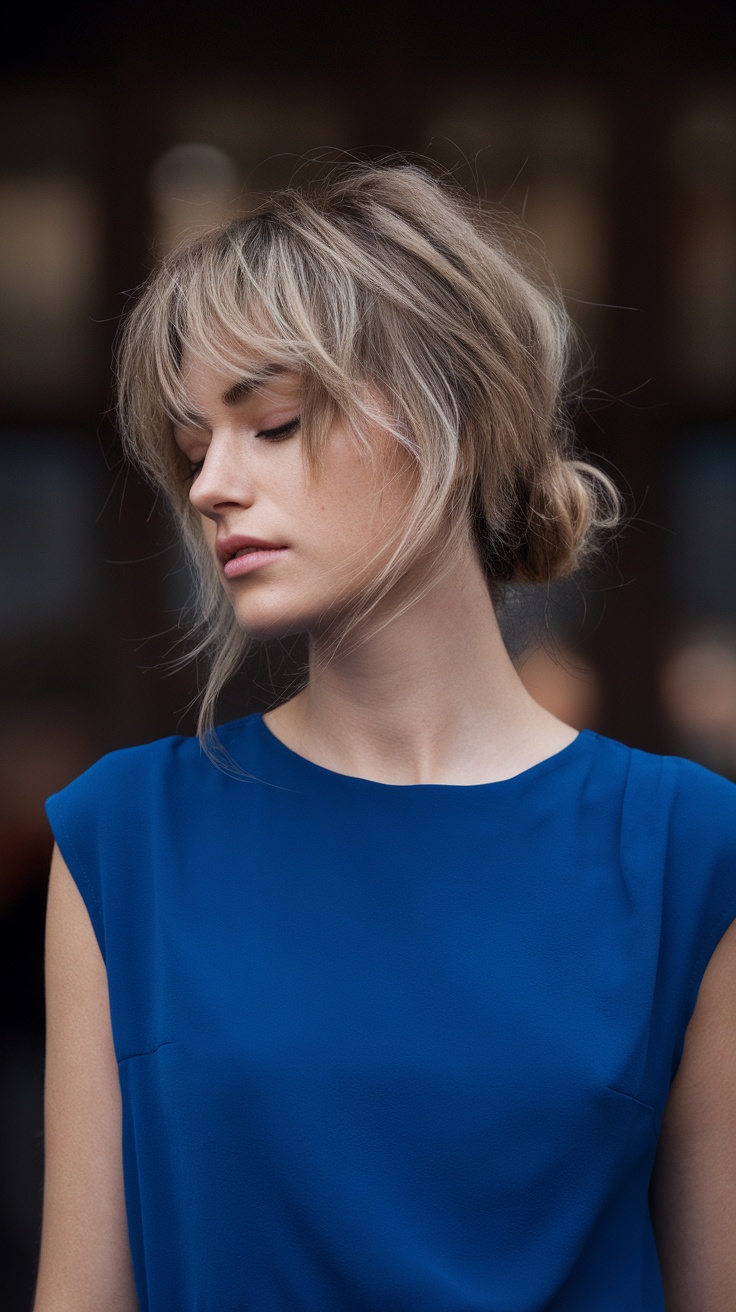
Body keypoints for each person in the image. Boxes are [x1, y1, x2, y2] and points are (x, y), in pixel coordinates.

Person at [34, 163, 736, 1312]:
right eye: (192, 443)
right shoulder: (122, 840)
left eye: (271, 421)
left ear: (448, 415)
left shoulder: (686, 848)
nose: (210, 483)